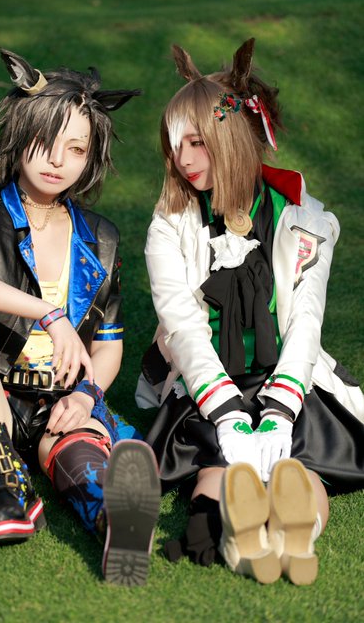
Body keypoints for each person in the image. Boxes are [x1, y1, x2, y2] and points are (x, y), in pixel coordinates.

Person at [0, 48, 160, 586]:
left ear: (90, 156)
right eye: (44, 141)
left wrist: (85, 396)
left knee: (78, 451)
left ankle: (113, 518)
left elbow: (109, 344)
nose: (57, 160)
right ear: (20, 135)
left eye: (75, 148)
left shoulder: (101, 237)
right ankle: (6, 489)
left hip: (57, 400)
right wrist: (49, 313)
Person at [135, 38, 364, 585]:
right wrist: (226, 413)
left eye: (197, 142)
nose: (184, 159)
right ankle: (224, 529)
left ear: (232, 136)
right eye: (175, 146)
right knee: (218, 463)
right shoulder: (168, 224)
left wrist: (280, 409)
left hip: (289, 375)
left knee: (299, 467)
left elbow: (305, 321)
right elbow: (184, 327)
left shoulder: (304, 219)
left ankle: (292, 533)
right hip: (206, 378)